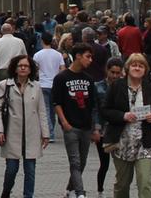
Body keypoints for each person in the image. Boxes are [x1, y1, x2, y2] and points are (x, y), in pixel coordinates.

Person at [0, 55, 48, 198]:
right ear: (14, 68)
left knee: (30, 170)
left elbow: (42, 111)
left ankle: (28, 195)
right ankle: (6, 192)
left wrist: (45, 133)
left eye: (26, 66)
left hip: (31, 134)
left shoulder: (36, 86)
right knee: (11, 169)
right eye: (20, 65)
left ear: (30, 69)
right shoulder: (5, 85)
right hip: (11, 133)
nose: (22, 68)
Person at [102, 54, 151, 198]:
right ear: (127, 68)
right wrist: (123, 116)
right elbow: (105, 110)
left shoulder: (150, 88)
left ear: (145, 70)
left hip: (144, 142)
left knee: (145, 182)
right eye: (134, 65)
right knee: (122, 184)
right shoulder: (116, 86)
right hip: (122, 142)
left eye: (140, 66)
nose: (137, 68)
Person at [52, 42, 98, 198]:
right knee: (75, 162)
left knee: (82, 162)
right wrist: (64, 122)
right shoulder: (61, 78)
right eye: (88, 56)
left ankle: (69, 189)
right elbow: (56, 102)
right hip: (71, 126)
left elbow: (93, 104)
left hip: (86, 126)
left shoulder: (89, 79)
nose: (90, 60)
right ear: (78, 56)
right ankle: (80, 193)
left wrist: (94, 127)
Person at [92, 58, 125, 197]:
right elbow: (95, 109)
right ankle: (100, 191)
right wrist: (96, 129)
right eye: (113, 72)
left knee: (121, 164)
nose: (115, 76)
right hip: (104, 130)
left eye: (118, 73)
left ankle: (119, 190)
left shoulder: (124, 86)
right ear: (107, 70)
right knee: (104, 164)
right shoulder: (98, 86)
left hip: (120, 130)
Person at [31, 34, 64, 137]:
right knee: (53, 109)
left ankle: (50, 132)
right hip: (55, 85)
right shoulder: (58, 54)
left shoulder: (37, 55)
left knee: (45, 109)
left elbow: (34, 70)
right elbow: (62, 69)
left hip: (43, 84)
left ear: (42, 41)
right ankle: (51, 129)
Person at [0, 24, 26, 91]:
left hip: (2, 72)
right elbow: (25, 57)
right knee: (17, 92)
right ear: (11, 30)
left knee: (1, 93)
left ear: (1, 31)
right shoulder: (20, 42)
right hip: (16, 71)